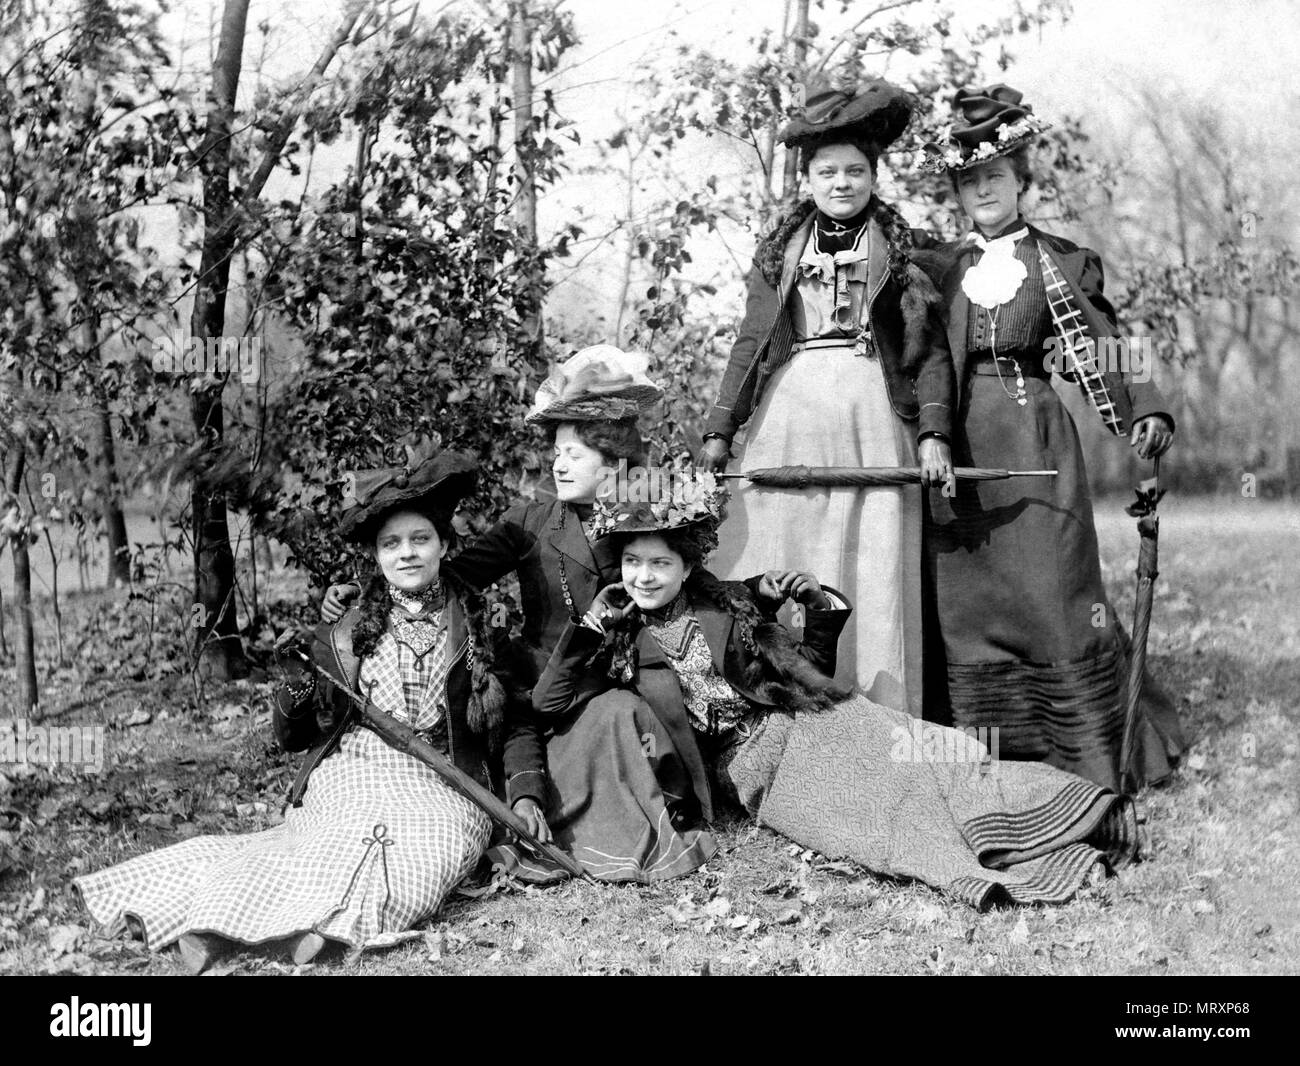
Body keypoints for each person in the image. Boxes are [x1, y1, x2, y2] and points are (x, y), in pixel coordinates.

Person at [532, 477, 1138, 907]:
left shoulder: (732, 603)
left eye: (660, 564)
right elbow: (548, 703)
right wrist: (590, 626)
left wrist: (816, 606)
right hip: (757, 772)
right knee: (877, 817)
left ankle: (1090, 815)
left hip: (813, 723)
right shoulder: (614, 642)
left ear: (687, 568)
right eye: (633, 562)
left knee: (937, 755)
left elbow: (802, 672)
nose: (644, 576)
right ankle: (1000, 863)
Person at [74, 444, 537, 973]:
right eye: (391, 544)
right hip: (357, 768)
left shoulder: (478, 623)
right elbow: (296, 737)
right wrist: (291, 692)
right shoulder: (345, 627)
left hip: (445, 779)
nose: (406, 553)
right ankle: (213, 923)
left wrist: (524, 792)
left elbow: (518, 719)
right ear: (376, 556)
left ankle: (318, 931)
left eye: (419, 539)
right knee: (321, 848)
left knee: (427, 853)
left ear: (443, 545)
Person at [322, 347, 715, 881]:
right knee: (610, 717)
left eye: (575, 454)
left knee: (638, 713)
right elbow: (448, 576)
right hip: (550, 690)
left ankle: (676, 800)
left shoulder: (647, 516)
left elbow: (693, 578)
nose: (558, 465)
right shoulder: (529, 522)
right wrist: (364, 594)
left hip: (634, 678)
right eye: (557, 452)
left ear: (615, 462)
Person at [916, 84, 1184, 790]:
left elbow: (1107, 344)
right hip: (955, 448)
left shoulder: (1060, 262)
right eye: (969, 180)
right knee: (971, 603)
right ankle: (987, 756)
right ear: (956, 190)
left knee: (1054, 588)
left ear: (1021, 181)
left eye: (995, 177)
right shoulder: (936, 270)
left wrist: (1146, 408)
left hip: (1034, 437)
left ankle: (1086, 752)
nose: (983, 190)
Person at [698, 79, 955, 716]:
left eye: (855, 171)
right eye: (827, 171)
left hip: (872, 412)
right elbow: (751, 342)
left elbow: (929, 352)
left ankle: (877, 707)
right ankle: (769, 707)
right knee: (781, 549)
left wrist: (933, 433)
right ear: (807, 178)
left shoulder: (902, 252)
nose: (842, 183)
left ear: (873, 176)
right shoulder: (779, 254)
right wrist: (720, 429)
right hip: (789, 413)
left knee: (870, 557)